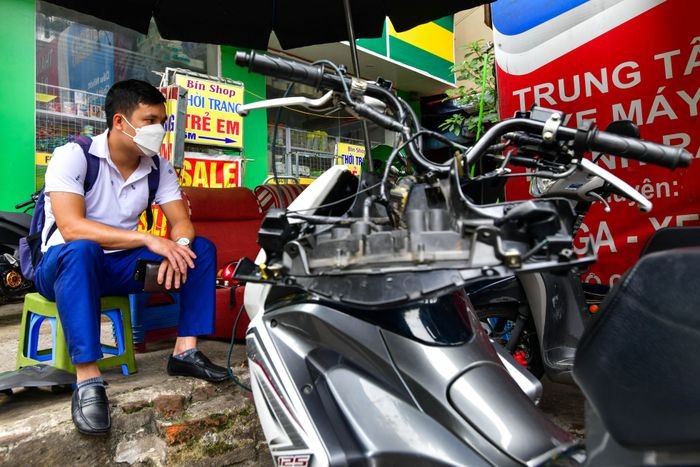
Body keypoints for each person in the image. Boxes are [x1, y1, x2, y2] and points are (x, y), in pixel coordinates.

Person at [35, 79, 228, 436]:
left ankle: (185, 352)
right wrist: (147, 239)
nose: (159, 129)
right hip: (63, 265)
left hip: (119, 265)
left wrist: (179, 247)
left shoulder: (158, 168)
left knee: (200, 250)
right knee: (83, 249)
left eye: (163, 121)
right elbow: (72, 227)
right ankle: (88, 379)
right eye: (150, 119)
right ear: (121, 122)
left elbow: (182, 222)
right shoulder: (73, 156)